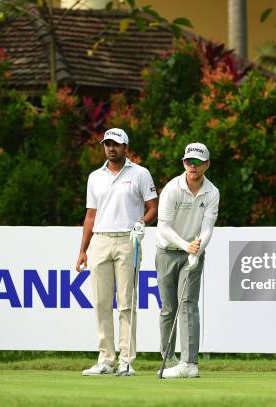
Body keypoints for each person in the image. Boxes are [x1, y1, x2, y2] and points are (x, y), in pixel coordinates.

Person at [76, 128, 158, 376]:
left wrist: (141, 223)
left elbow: (153, 207)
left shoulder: (140, 174)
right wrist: (83, 250)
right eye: (107, 144)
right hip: (100, 241)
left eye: (116, 144)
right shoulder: (94, 177)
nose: (111, 148)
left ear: (126, 147)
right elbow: (91, 215)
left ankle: (127, 361)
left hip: (127, 240)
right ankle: (106, 360)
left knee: (126, 303)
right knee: (101, 303)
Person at [155, 142, 220, 379]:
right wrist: (186, 245)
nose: (192, 166)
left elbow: (207, 227)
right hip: (167, 251)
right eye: (188, 161)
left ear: (206, 165)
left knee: (188, 304)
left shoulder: (212, 192)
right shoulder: (172, 189)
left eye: (198, 162)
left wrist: (197, 250)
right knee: (168, 307)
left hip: (193, 253)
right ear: (183, 163)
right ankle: (168, 358)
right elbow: (163, 227)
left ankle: (190, 363)